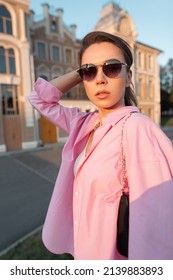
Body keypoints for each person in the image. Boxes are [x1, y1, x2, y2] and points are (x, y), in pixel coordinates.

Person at [29, 31, 173, 260]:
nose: (100, 79)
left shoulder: (138, 129)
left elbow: (155, 227)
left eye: (112, 67)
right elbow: (39, 99)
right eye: (89, 71)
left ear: (128, 77)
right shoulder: (84, 123)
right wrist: (81, 72)